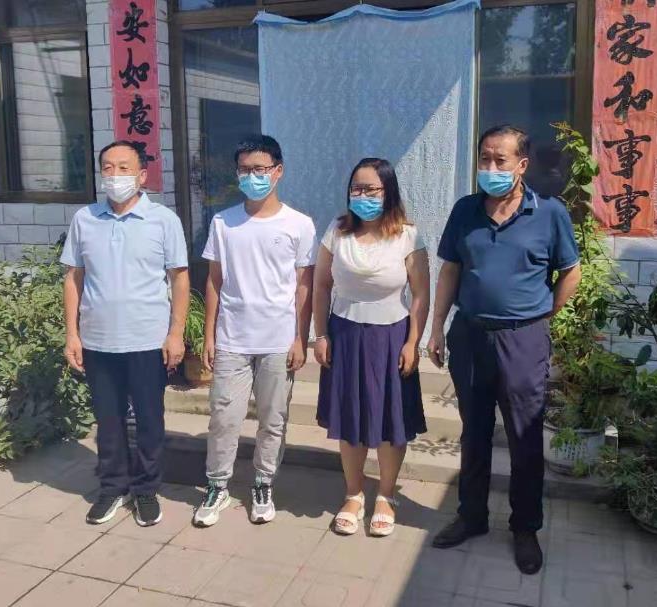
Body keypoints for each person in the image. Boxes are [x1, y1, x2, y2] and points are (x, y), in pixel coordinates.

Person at [427, 125, 581, 574]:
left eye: (500, 160)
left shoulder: (549, 213)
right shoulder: (465, 210)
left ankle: (525, 527)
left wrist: (543, 316)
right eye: (484, 158)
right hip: (470, 335)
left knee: (524, 436)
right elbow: (450, 271)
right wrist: (436, 328)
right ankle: (471, 516)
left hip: (523, 338)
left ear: (522, 165)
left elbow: (570, 272)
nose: (490, 167)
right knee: (474, 432)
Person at [62, 140, 190, 527]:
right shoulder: (85, 219)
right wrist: (72, 334)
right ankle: (113, 486)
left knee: (150, 420)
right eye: (107, 167)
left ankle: (146, 489)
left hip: (147, 340)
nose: (114, 175)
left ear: (142, 175)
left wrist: (176, 334)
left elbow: (179, 279)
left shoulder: (163, 220)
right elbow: (73, 278)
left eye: (123, 167)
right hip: (98, 341)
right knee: (108, 419)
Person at [193, 135, 317, 527]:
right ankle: (217, 485)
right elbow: (214, 281)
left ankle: (263, 483)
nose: (252, 177)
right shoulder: (223, 222)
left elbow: (304, 286)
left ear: (278, 171)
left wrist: (300, 337)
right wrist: (209, 335)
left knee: (273, 418)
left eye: (260, 169)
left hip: (278, 341)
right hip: (232, 338)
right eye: (245, 170)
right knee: (223, 417)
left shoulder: (299, 224)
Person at [313, 158, 430, 537]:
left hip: (392, 336)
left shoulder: (408, 235)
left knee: (390, 420)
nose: (362, 195)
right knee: (350, 417)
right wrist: (321, 335)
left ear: (388, 191)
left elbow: (420, 294)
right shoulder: (337, 231)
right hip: (345, 335)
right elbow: (321, 286)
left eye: (371, 189)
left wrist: (413, 342)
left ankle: (386, 495)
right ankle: (353, 495)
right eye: (356, 189)